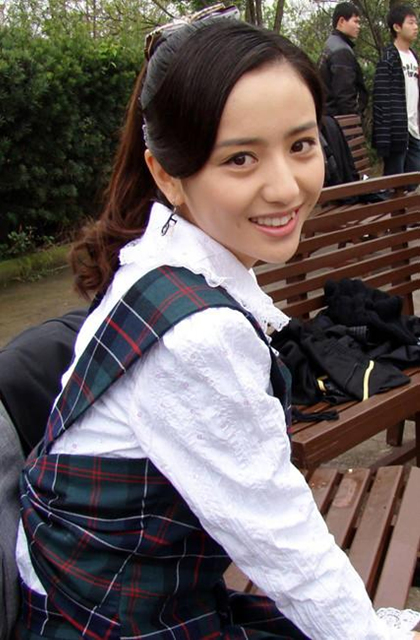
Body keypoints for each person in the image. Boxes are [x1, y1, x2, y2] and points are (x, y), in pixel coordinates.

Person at [14, 5, 420, 639]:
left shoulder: (160, 258)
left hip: (112, 587)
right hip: (106, 619)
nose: (285, 187)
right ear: (167, 175)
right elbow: (283, 544)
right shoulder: (199, 335)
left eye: (301, 145)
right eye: (240, 159)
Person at [372, 4, 420, 175]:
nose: (416, 27)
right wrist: (384, 139)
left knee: (415, 181)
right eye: (411, 23)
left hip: (414, 129)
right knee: (395, 181)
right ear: (397, 27)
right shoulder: (388, 59)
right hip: (396, 133)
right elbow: (381, 100)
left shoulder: (414, 57)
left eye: (416, 23)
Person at [319, 1, 368, 117]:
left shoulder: (331, 44)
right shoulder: (341, 51)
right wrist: (354, 120)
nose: (358, 26)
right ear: (341, 21)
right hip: (338, 121)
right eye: (355, 21)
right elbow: (345, 97)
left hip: (328, 119)